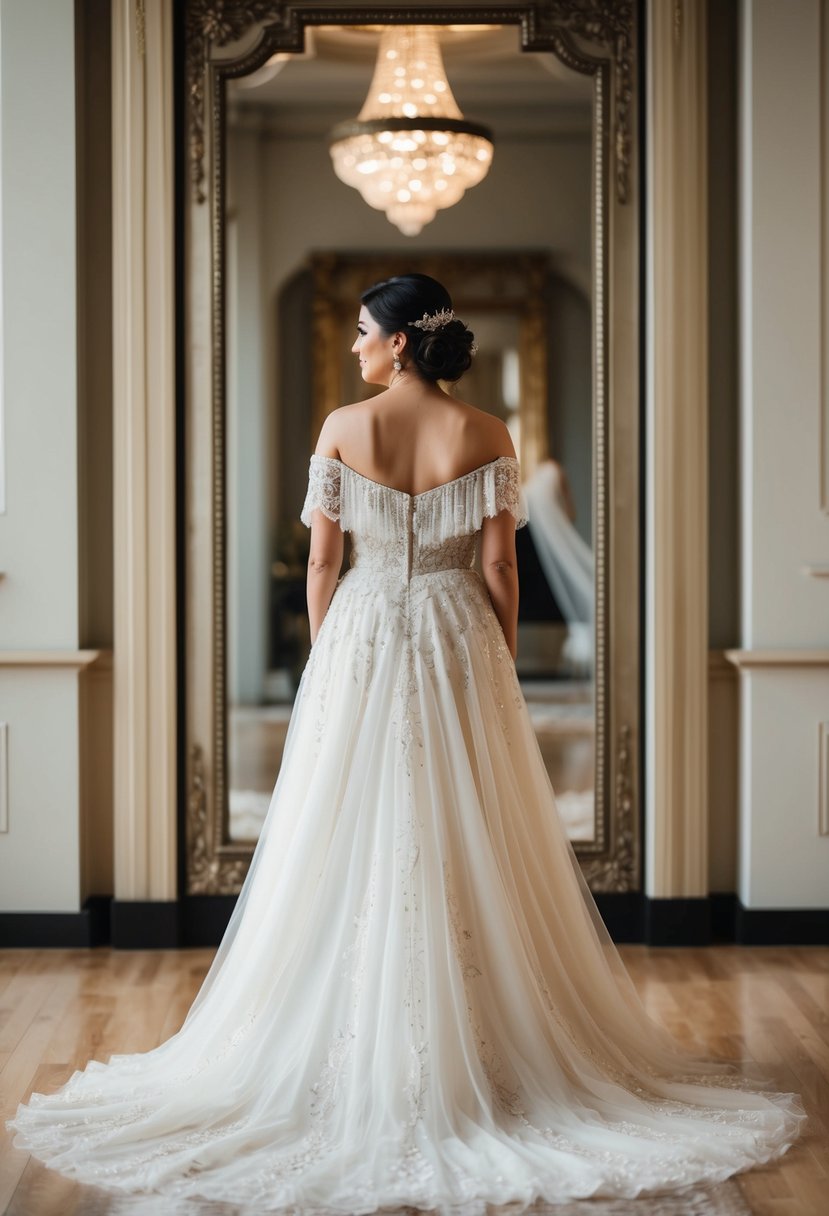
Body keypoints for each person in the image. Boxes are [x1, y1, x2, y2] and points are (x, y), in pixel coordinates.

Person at [7, 272, 808, 1212]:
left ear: (396, 343)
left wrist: (324, 650)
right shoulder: (487, 433)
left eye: (361, 333)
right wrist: (496, 654)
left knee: (343, 821)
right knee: (465, 818)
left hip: (362, 633)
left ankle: (346, 1041)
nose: (353, 346)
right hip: (456, 629)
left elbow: (322, 559)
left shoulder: (345, 428)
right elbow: (501, 562)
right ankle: (488, 1040)